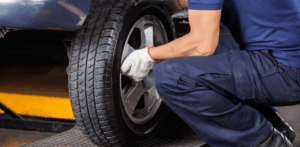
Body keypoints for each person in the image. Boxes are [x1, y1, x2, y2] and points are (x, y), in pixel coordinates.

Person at [121, 0, 300, 146]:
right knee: (187, 55)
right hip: (285, 52)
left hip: (288, 71)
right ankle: (275, 125)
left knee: (171, 75)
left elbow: (202, 44)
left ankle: (262, 142)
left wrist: (149, 55)